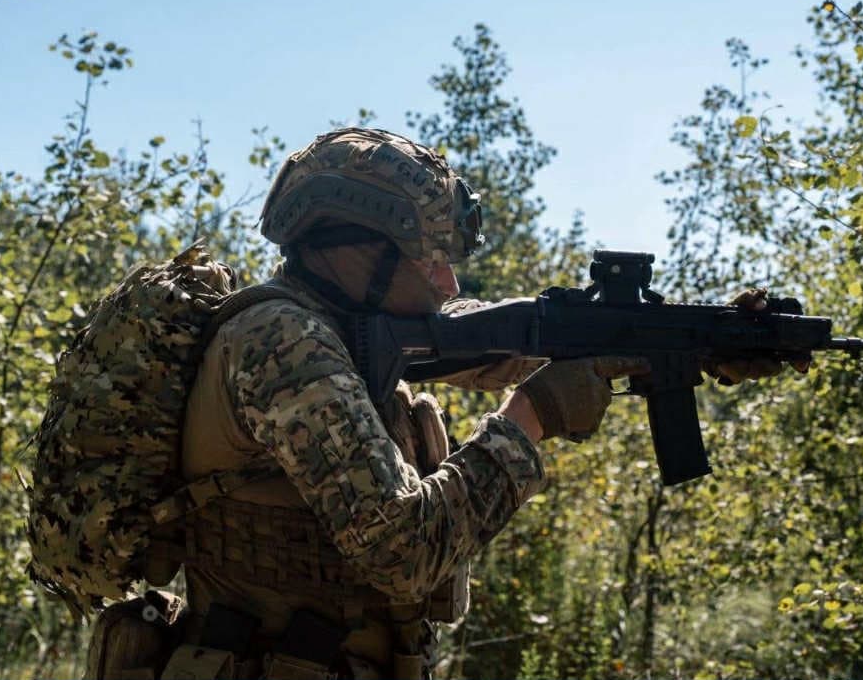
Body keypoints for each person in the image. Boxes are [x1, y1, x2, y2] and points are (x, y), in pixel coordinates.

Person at [169, 128, 793, 679]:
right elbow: (403, 552)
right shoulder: (284, 342)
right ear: (356, 250)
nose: (450, 283)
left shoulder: (344, 327)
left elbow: (492, 338)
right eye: (431, 258)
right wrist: (531, 418)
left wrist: (690, 341)